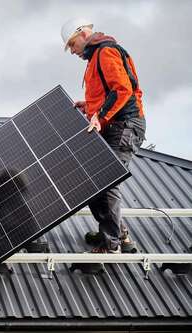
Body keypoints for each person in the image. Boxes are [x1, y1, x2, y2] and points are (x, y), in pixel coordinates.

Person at [61, 18, 146, 253]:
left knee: (107, 180)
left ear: (82, 34)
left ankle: (111, 243)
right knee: (93, 181)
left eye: (72, 45)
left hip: (125, 126)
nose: (72, 52)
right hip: (112, 125)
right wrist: (88, 106)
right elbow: (104, 94)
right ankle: (118, 232)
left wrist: (99, 116)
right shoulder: (94, 58)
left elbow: (122, 90)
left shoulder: (106, 51)